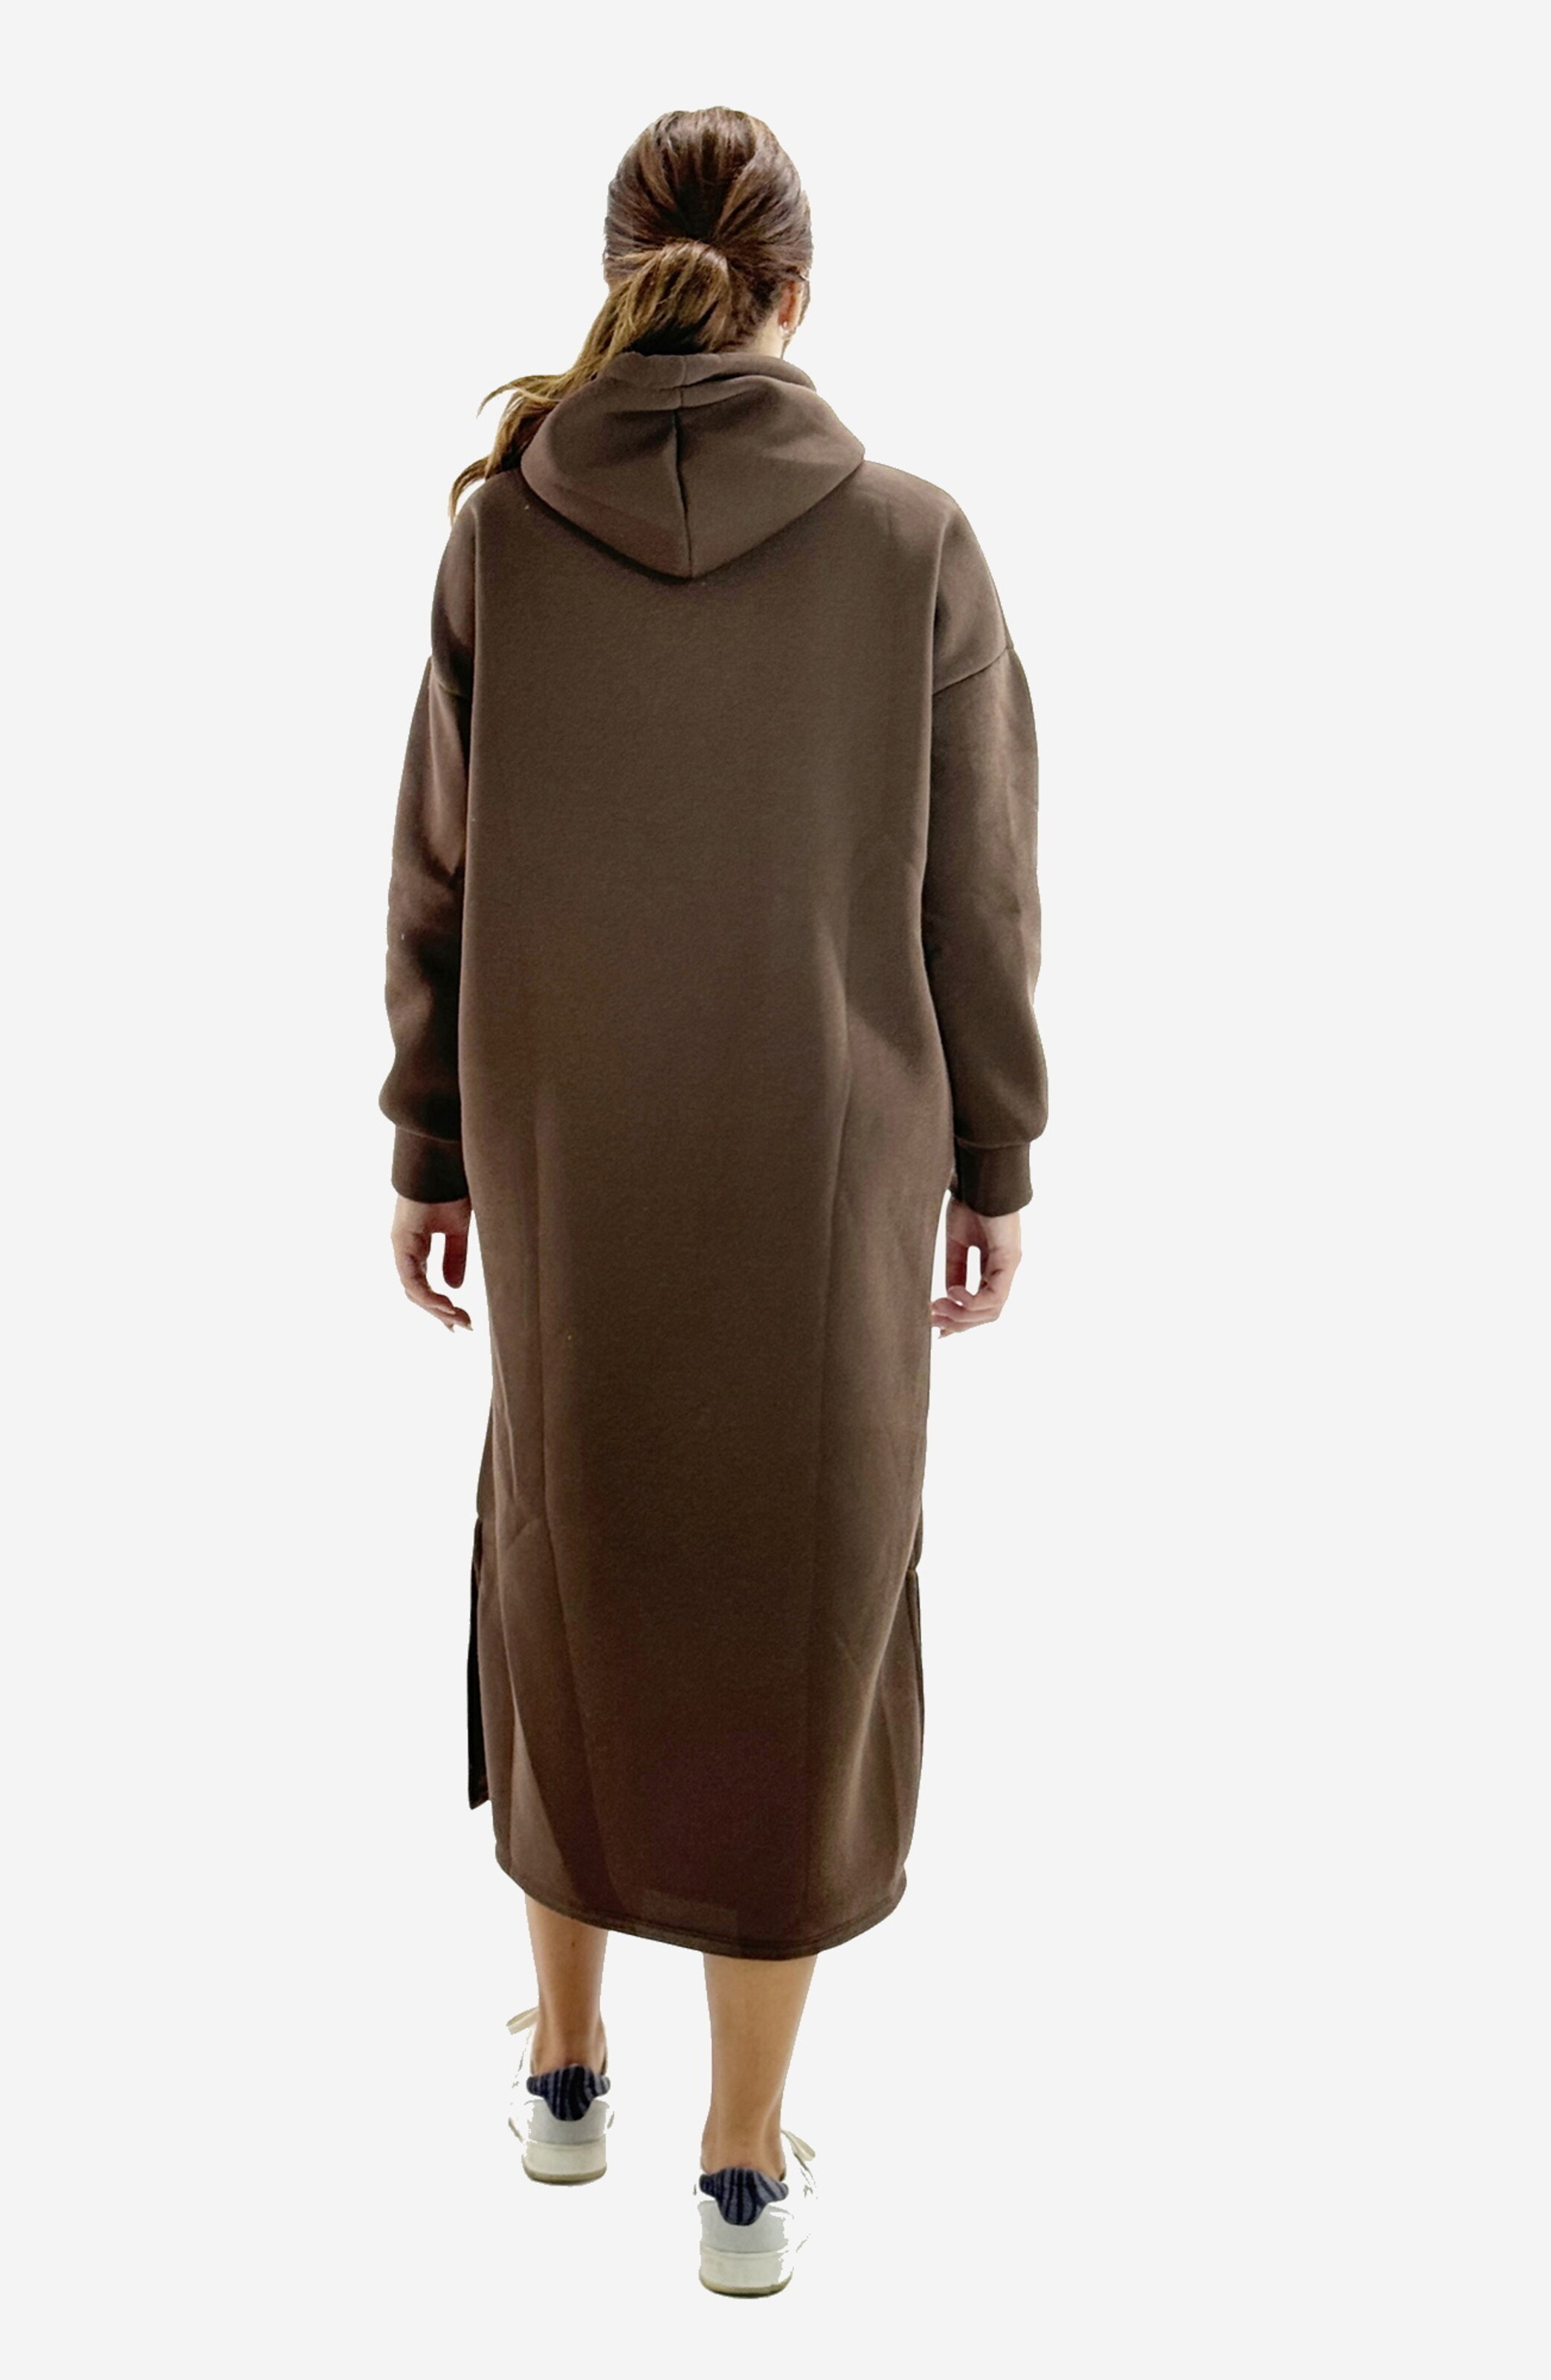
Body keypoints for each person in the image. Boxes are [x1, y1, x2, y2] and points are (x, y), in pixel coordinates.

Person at [378, 105, 1046, 2297]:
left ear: (626, 277)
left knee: (571, 1581)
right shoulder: (915, 543)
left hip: (566, 1177)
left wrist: (430, 1148)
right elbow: (980, 903)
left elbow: (436, 880)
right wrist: (996, 1160)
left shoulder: (503, 535)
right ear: (796, 293)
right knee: (794, 1609)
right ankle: (741, 2173)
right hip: (826, 1194)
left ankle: (568, 2076)